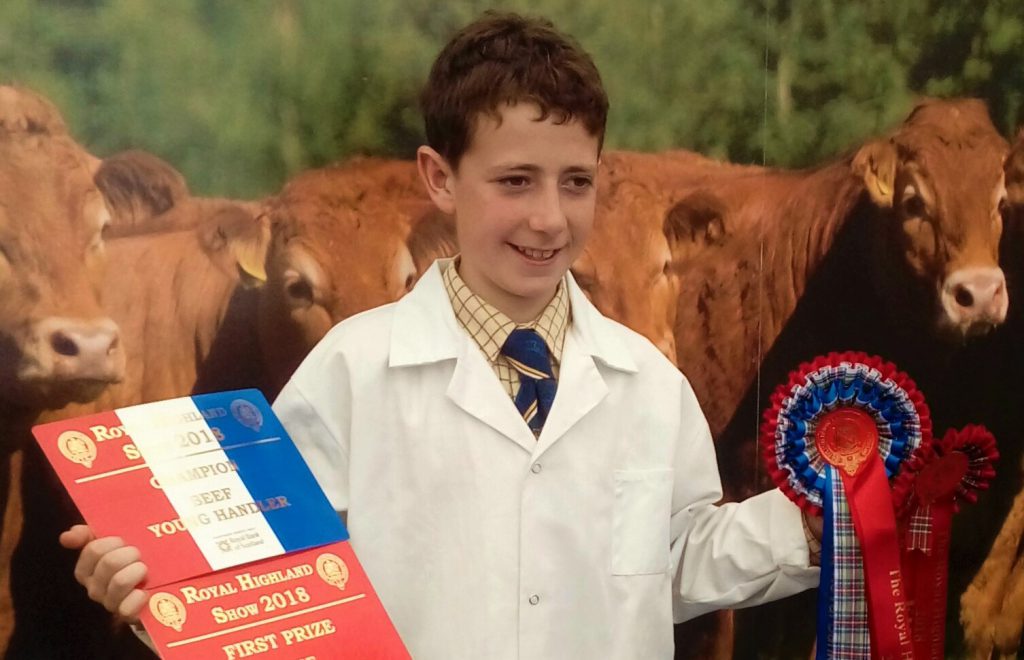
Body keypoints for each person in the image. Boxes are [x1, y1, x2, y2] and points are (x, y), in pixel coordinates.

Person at [62, 11, 820, 658]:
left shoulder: (649, 385)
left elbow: (678, 559)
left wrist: (818, 524)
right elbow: (266, 578)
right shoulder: (353, 370)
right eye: (515, 181)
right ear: (439, 178)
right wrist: (155, 582)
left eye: (576, 181)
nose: (550, 218)